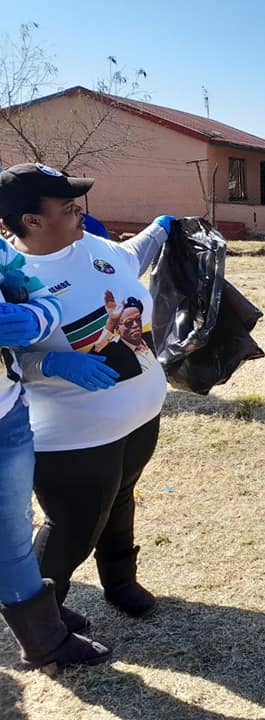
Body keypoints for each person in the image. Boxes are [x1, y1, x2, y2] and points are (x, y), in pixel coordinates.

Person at [0, 162, 174, 628]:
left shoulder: (92, 245)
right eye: (68, 206)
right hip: (72, 435)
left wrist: (159, 231)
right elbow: (8, 361)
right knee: (73, 527)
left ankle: (120, 581)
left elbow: (130, 257)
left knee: (120, 498)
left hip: (138, 415)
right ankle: (41, 622)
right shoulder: (11, 279)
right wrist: (51, 362)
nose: (80, 212)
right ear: (32, 221)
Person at [0, 233, 111, 669]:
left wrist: (32, 318)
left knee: (12, 530)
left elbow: (45, 299)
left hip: (6, 416)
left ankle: (44, 638)